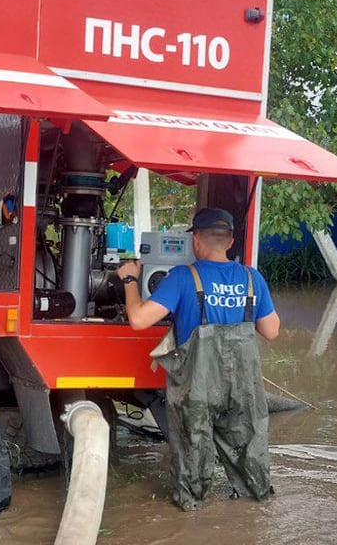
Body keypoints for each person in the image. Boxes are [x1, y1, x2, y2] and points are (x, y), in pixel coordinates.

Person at [116, 207, 280, 510]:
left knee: (192, 459)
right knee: (250, 458)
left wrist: (129, 280)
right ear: (230, 242)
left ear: (195, 240)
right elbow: (271, 331)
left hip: (197, 389)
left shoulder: (182, 277)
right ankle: (253, 515)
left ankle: (192, 520)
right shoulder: (252, 278)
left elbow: (138, 319)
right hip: (242, 389)